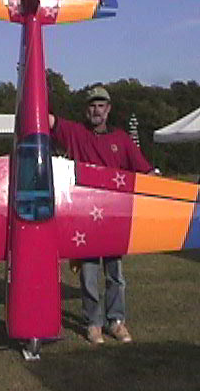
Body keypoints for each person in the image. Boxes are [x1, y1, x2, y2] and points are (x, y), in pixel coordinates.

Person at [49, 85, 154, 345]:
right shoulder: (76, 133)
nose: (96, 110)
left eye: (101, 106)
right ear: (87, 110)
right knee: (88, 274)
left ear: (108, 109)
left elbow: (145, 171)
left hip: (114, 217)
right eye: (92, 106)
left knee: (115, 273)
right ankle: (93, 323)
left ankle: (116, 321)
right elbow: (47, 120)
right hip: (85, 218)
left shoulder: (122, 139)